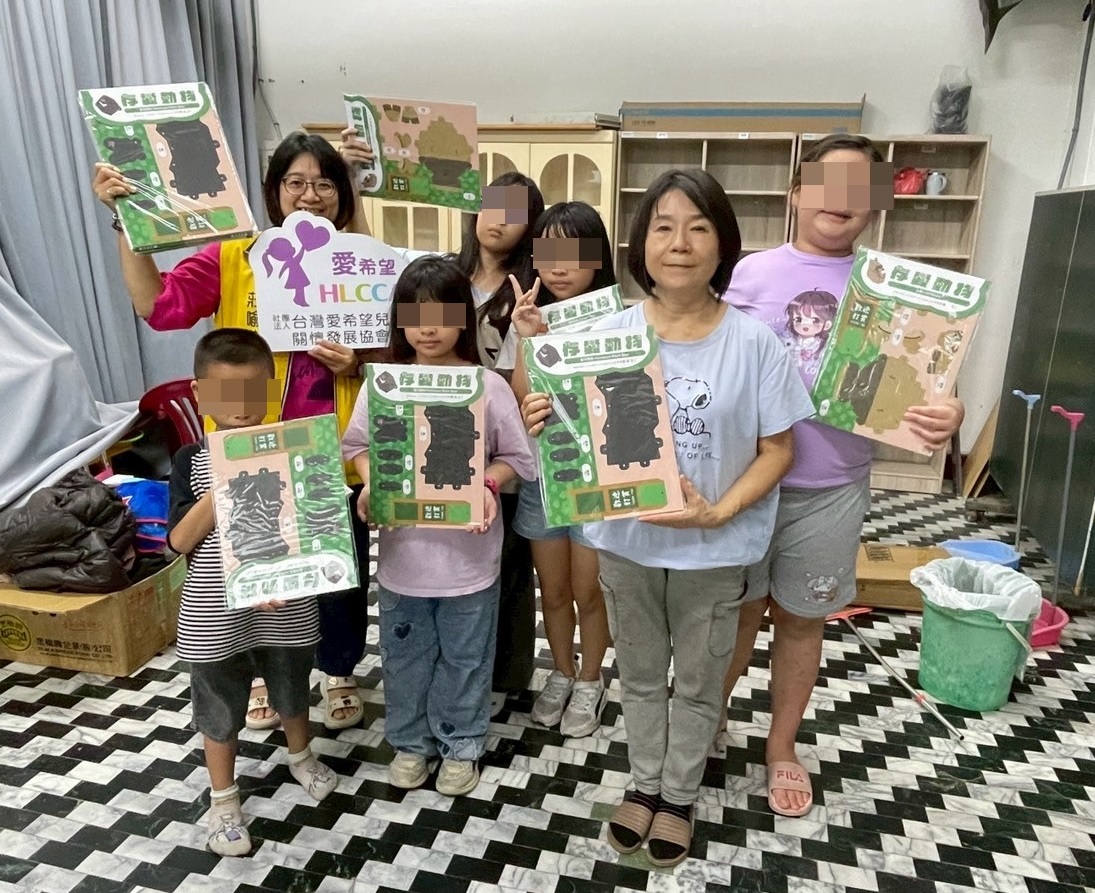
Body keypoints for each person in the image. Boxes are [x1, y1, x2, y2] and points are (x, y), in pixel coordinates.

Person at [520, 170, 815, 866]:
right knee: (642, 672)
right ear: (640, 244)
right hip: (626, 542)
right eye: (663, 227)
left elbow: (779, 449)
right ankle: (644, 783)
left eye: (698, 227)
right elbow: (566, 432)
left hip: (715, 548)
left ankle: (679, 795)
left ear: (723, 245)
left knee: (701, 680)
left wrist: (720, 511)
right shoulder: (604, 335)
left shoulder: (754, 343)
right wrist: (539, 409)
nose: (679, 243)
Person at [92, 130, 374, 732]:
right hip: (249, 452)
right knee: (253, 568)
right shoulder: (236, 257)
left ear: (341, 195)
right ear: (273, 191)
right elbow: (159, 305)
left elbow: (397, 349)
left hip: (329, 455)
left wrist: (358, 361)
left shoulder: (359, 262)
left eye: (325, 184)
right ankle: (262, 675)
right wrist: (125, 221)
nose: (310, 195)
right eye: (295, 182)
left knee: (338, 576)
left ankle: (339, 670)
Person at [721, 133, 965, 817]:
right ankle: (710, 718)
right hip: (744, 485)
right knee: (735, 614)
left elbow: (932, 381)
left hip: (831, 489)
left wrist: (949, 409)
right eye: (828, 184)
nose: (842, 201)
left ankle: (781, 746)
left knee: (803, 620)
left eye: (860, 189)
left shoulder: (891, 288)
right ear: (797, 192)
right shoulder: (748, 275)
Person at [341, 255, 534, 795]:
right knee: (405, 655)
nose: (428, 328)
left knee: (466, 657)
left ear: (462, 319)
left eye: (442, 314)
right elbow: (357, 447)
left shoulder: (486, 386)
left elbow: (517, 457)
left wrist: (487, 484)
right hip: (404, 562)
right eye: (415, 314)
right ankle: (410, 742)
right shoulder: (384, 385)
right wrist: (373, 482)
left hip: (470, 562)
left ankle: (461, 743)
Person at [167, 328, 337, 856]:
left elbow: (317, 526)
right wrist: (226, 477)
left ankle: (301, 756)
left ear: (271, 388)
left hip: (286, 607)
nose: (240, 406)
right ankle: (223, 799)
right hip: (215, 613)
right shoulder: (190, 460)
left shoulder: (297, 448)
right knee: (218, 704)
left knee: (292, 685)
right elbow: (179, 541)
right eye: (225, 393)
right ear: (199, 395)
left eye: (252, 390)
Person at [502, 201, 615, 738]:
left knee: (589, 591)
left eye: (574, 252)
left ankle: (591, 679)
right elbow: (521, 398)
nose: (559, 266)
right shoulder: (528, 317)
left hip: (598, 479)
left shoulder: (620, 320)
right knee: (552, 591)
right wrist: (530, 337)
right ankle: (562, 671)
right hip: (543, 477)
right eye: (548, 253)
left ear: (598, 258)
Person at [452, 172, 545, 714]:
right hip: (441, 447)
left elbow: (522, 383)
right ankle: (454, 665)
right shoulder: (446, 277)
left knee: (508, 565)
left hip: (502, 453)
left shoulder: (528, 293)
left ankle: (504, 674)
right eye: (491, 206)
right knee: (452, 560)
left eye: (515, 213)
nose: (498, 220)